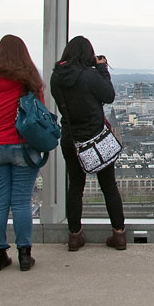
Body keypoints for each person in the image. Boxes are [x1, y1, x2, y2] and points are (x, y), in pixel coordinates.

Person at [0, 35, 46, 272]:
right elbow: (39, 113)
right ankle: (24, 254)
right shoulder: (29, 80)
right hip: (24, 146)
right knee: (22, 202)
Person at [50, 36, 126, 251]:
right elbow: (109, 96)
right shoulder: (90, 75)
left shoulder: (56, 77)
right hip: (96, 138)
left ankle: (74, 236)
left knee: (75, 186)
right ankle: (119, 234)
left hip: (71, 138)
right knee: (109, 187)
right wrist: (101, 69)